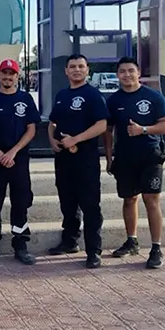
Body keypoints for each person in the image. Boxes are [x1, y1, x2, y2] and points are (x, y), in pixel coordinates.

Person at [103, 56, 165, 269]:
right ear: (117, 75)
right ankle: (131, 241)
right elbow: (107, 131)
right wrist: (108, 158)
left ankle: (156, 247)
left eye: (131, 71)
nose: (127, 75)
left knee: (151, 200)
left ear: (138, 73)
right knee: (129, 199)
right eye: (122, 71)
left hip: (150, 156)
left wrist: (143, 130)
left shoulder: (153, 97)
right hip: (125, 157)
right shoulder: (113, 101)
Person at [46, 53, 110, 268]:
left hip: (86, 159)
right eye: (72, 66)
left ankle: (93, 250)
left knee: (90, 204)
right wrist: (52, 140)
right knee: (67, 202)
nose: (76, 70)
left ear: (87, 70)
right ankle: (70, 241)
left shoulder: (93, 95)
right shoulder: (62, 95)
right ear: (66, 71)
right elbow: (52, 122)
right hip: (63, 159)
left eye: (81, 66)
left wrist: (77, 139)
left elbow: (102, 125)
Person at [0, 59, 40, 265]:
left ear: (17, 76)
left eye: (11, 73)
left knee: (21, 202)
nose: (7, 77)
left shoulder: (26, 99)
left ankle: (20, 244)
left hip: (19, 160)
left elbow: (31, 128)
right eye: (4, 73)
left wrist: (12, 152)